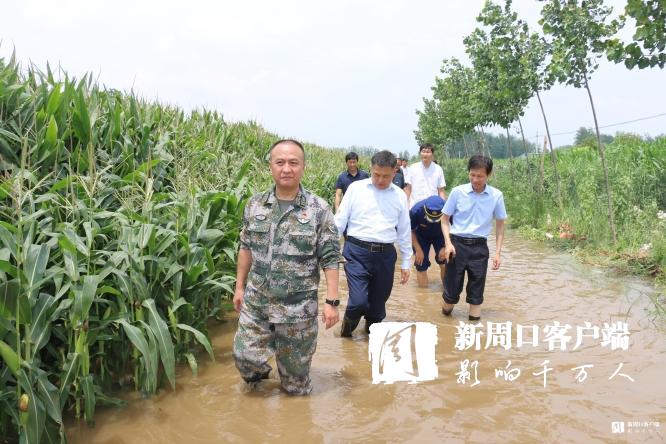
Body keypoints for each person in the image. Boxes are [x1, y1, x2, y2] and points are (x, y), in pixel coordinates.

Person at [233, 139, 341, 395]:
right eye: (280, 162)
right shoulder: (255, 205)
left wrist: (332, 301)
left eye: (293, 163)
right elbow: (245, 248)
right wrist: (239, 287)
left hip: (298, 310)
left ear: (303, 166)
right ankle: (260, 383)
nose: (286, 168)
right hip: (257, 302)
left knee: (295, 387)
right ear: (270, 166)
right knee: (244, 358)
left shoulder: (318, 209)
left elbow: (330, 257)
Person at [334, 150, 412, 337]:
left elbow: (404, 230)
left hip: (385, 256)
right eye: (376, 174)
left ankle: (369, 341)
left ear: (395, 172)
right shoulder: (356, 189)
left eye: (386, 176)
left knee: (377, 308)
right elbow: (340, 221)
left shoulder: (400, 195)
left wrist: (406, 261)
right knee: (358, 302)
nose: (380, 180)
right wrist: (329, 249)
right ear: (371, 169)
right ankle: (345, 334)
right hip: (356, 252)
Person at [440, 155, 506, 322]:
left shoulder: (496, 196)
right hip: (456, 246)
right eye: (472, 175)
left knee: (476, 295)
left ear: (488, 175)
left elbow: (500, 225)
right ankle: (444, 320)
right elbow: (444, 219)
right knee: (450, 295)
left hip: (479, 248)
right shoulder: (458, 192)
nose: (475, 179)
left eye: (480, 176)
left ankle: (474, 331)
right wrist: (448, 244)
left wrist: (498, 253)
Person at [410, 195, 447, 288]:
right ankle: (423, 293)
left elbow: (455, 228)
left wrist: (445, 247)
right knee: (421, 264)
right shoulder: (415, 211)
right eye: (431, 218)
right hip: (421, 236)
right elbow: (410, 231)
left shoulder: (449, 208)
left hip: (441, 235)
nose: (433, 221)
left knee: (445, 262)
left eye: (436, 219)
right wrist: (418, 250)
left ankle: (446, 291)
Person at [404, 143, 446, 208]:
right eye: (423, 152)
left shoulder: (438, 169)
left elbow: (441, 191)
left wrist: (443, 207)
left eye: (428, 152)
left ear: (432, 154)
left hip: (432, 207)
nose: (425, 154)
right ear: (420, 153)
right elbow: (408, 189)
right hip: (414, 205)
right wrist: (405, 205)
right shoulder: (412, 168)